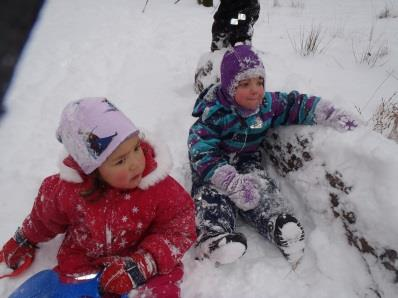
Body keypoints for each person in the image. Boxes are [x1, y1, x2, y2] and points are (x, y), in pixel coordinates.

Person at [0, 97, 196, 297]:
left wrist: (145, 263)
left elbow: (180, 226)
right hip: (84, 264)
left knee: (160, 290)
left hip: (141, 264)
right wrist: (26, 238)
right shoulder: (69, 191)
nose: (136, 163)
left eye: (136, 148)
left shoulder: (157, 186)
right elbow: (44, 217)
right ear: (92, 169)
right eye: (120, 161)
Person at [188, 45, 359, 267]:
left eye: (259, 82)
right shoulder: (214, 113)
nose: (255, 90)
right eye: (245, 84)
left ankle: (277, 223)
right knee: (211, 197)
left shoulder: (267, 105)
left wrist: (329, 113)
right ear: (230, 88)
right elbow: (202, 152)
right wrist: (230, 181)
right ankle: (213, 237)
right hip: (215, 167)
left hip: (247, 160)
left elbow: (295, 104)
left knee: (260, 187)